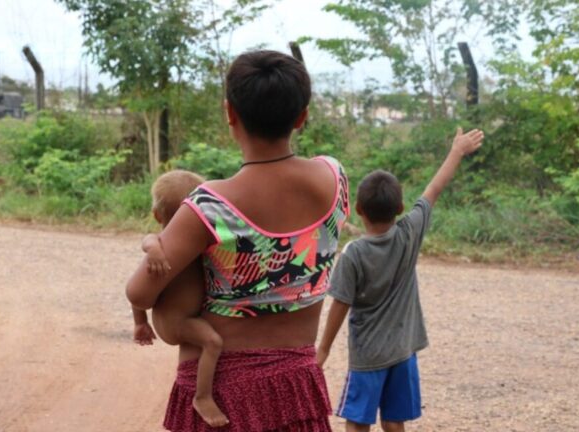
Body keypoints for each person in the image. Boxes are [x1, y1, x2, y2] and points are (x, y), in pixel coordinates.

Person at [126, 50, 350, 431]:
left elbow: (141, 292)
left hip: (222, 395)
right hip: (296, 386)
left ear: (230, 113)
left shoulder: (210, 207)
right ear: (302, 116)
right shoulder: (334, 178)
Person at [316, 127, 484, 432]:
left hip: (368, 355)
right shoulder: (409, 233)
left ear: (359, 210)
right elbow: (434, 189)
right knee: (395, 421)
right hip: (404, 351)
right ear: (400, 208)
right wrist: (456, 151)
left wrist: (324, 348)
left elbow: (340, 303)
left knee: (357, 421)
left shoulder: (353, 253)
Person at [130, 169, 230, 427]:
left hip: (181, 317)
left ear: (156, 213)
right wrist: (153, 250)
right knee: (213, 342)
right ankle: (202, 396)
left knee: (212, 340)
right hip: (175, 322)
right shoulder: (160, 244)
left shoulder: (199, 242)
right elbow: (148, 241)